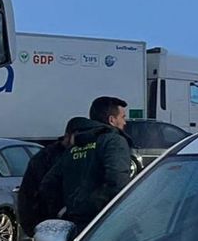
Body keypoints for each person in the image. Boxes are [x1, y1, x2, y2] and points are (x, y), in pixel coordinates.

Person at [41, 96, 134, 232]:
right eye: (123, 117)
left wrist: (64, 210)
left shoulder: (75, 146)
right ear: (112, 120)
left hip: (74, 224)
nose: (125, 122)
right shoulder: (114, 141)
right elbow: (118, 183)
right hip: (103, 223)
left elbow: (48, 184)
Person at [16, 116, 86, 237]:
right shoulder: (47, 158)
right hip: (50, 225)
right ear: (70, 136)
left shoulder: (46, 156)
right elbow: (31, 193)